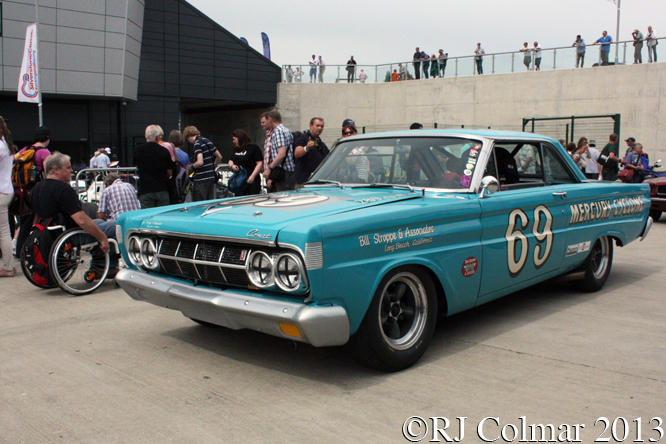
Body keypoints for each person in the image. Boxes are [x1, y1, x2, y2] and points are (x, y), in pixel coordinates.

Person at [31, 152, 110, 254]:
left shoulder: (37, 188)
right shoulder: (64, 189)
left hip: (47, 233)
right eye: (68, 168)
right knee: (113, 226)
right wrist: (102, 237)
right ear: (56, 170)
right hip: (69, 235)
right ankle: (104, 264)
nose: (72, 171)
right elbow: (82, 221)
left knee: (100, 223)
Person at [15, 126, 52, 257]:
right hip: (39, 191)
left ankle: (20, 252)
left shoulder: (24, 150)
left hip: (24, 191)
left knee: (24, 223)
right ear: (47, 138)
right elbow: (50, 172)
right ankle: (42, 250)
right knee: (44, 221)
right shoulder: (44, 152)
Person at [134, 125, 174, 208]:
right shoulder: (164, 151)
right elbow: (169, 172)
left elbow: (136, 165)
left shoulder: (138, 150)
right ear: (157, 137)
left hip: (145, 190)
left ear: (146, 136)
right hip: (162, 189)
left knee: (147, 217)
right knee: (162, 217)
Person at [95, 173, 140, 238]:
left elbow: (100, 215)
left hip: (119, 224)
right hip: (135, 221)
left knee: (96, 225)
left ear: (107, 184)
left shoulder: (107, 190)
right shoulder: (130, 186)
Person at [183, 125, 222, 202]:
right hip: (211, 178)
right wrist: (212, 167)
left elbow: (200, 162)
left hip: (201, 179)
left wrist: (191, 166)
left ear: (188, 136)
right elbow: (219, 157)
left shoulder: (197, 144)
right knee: (209, 204)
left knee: (199, 204)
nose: (189, 142)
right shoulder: (207, 141)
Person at [263, 110, 295, 191]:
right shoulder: (287, 130)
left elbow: (281, 154)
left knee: (283, 198)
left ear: (270, 120)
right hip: (288, 171)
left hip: (284, 172)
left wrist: (269, 168)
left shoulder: (278, 132)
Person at [293, 118, 329, 188]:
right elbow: (297, 153)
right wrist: (306, 148)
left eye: (322, 126)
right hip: (303, 182)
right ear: (311, 125)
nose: (320, 128)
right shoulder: (303, 138)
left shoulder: (320, 143)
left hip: (316, 181)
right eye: (317, 125)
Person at [0, 117, 15, 277]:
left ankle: (8, 267)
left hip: (1, 192)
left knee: (3, 231)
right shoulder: (6, 144)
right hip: (6, 190)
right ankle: (9, 264)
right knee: (4, 230)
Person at [228, 129, 263, 195]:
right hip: (239, 180)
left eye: (234, 139)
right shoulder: (236, 149)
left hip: (251, 178)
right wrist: (232, 166)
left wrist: (253, 176)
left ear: (240, 138)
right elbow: (230, 160)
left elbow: (259, 163)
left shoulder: (254, 148)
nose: (233, 141)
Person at [260, 112, 275, 193]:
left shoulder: (274, 135)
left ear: (269, 121)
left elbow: (274, 157)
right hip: (267, 174)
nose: (262, 124)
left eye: (263, 122)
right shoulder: (267, 136)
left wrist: (272, 177)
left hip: (272, 174)